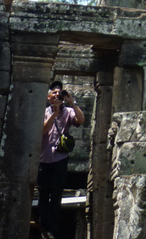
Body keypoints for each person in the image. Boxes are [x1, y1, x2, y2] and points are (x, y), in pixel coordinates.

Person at [37, 80, 85, 239]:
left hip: (60, 158)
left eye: (60, 93)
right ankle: (43, 228)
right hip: (44, 158)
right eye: (54, 93)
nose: (57, 95)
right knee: (43, 194)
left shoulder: (69, 111)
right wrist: (54, 114)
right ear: (49, 96)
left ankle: (52, 230)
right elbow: (43, 131)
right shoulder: (44, 112)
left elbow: (81, 120)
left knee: (56, 195)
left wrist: (72, 102)